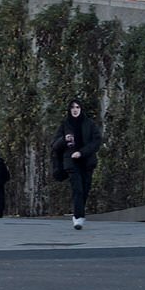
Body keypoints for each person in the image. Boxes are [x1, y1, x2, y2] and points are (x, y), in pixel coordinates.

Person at [51, 97, 102, 230]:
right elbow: (54, 145)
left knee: (85, 189)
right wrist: (64, 139)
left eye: (77, 107)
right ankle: (78, 217)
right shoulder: (65, 124)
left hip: (87, 161)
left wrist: (82, 152)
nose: (75, 110)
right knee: (77, 189)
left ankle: (80, 213)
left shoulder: (89, 124)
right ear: (69, 109)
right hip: (71, 161)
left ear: (81, 109)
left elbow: (96, 142)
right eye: (72, 107)